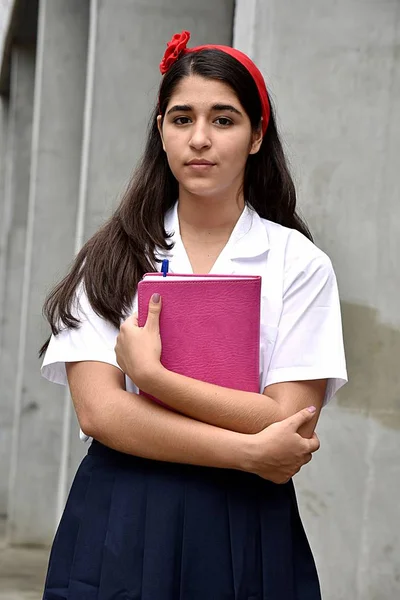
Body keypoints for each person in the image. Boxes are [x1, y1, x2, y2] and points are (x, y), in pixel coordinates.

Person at [39, 30, 347, 600]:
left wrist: (153, 379)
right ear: (160, 131)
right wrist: (246, 450)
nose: (199, 139)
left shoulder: (297, 263)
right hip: (122, 515)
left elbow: (288, 422)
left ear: (257, 135)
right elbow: (100, 413)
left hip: (245, 520)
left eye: (223, 120)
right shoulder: (112, 257)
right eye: (181, 119)